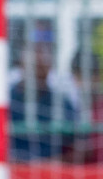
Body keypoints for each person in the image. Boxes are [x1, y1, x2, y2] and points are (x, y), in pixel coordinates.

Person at [9, 30, 77, 162]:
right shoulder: (6, 101)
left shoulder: (63, 103)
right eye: (34, 66)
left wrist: (50, 163)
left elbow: (77, 148)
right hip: (13, 171)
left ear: (50, 66)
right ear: (21, 63)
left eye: (41, 66)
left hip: (54, 174)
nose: (39, 60)